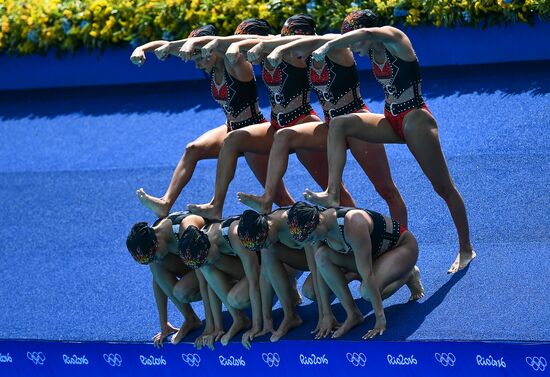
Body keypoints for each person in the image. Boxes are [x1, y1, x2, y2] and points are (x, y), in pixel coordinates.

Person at [303, 10, 476, 273]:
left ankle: (466, 248)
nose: (352, 48)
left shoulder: (394, 37)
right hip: (391, 117)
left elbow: (368, 33)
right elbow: (361, 38)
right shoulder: (370, 50)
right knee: (340, 123)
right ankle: (333, 191)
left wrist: (329, 45)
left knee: (443, 187)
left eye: (352, 41)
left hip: (415, 119)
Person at [188, 14, 356, 220]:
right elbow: (231, 45)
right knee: (237, 143)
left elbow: (293, 42)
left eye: (247, 47)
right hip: (279, 127)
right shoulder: (268, 56)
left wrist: (219, 43)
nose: (245, 55)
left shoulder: (288, 52)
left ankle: (371, 230)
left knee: (345, 192)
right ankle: (300, 225)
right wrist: (152, 48)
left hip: (304, 122)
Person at [236, 30, 407, 225]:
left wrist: (282, 46)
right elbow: (258, 40)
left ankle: (401, 237)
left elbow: (321, 40)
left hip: (357, 122)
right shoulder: (303, 59)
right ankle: (355, 234)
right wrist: (233, 45)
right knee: (285, 136)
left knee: (385, 189)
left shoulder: (334, 47)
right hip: (331, 127)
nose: (290, 50)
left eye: (294, 43)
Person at [130, 21, 293, 218]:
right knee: (193, 149)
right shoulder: (213, 66)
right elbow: (170, 45)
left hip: (253, 129)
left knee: (280, 198)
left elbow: (223, 42)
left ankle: (302, 220)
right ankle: (166, 203)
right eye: (193, 56)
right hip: (231, 127)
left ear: (213, 48)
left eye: (199, 54)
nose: (196, 61)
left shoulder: (235, 62)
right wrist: (142, 48)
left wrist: (204, 45)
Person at [286, 202, 424, 339]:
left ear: (319, 221)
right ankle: (353, 315)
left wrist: (380, 319)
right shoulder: (316, 232)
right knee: (314, 281)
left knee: (367, 293)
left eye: (310, 238)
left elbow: (368, 274)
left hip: (401, 249)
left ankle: (409, 274)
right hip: (369, 257)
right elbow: (318, 272)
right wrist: (326, 314)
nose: (310, 242)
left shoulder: (352, 223)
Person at [178, 213, 274, 349]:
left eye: (206, 258)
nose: (206, 262)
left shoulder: (234, 236)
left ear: (209, 246)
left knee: (236, 299)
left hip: (272, 268)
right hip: (247, 268)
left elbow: (255, 283)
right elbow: (208, 286)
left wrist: (256, 326)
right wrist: (213, 328)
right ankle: (238, 319)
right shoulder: (204, 244)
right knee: (206, 268)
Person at [126, 211, 214, 347]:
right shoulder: (155, 239)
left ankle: (228, 289)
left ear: (157, 240)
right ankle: (190, 318)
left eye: (153, 255)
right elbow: (158, 281)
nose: (154, 259)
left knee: (181, 292)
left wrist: (210, 327)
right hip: (193, 264)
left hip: (216, 266)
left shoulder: (185, 229)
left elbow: (203, 280)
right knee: (156, 267)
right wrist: (164, 323)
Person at [236, 209, 323, 341]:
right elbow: (265, 276)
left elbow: (315, 269)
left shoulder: (294, 223)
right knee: (268, 252)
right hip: (303, 258)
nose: (264, 246)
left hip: (328, 260)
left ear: (268, 227)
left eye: (264, 241)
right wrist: (264, 322)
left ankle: (352, 273)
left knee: (310, 291)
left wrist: (324, 316)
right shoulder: (267, 233)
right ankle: (290, 315)